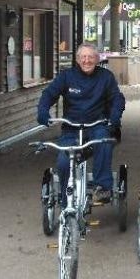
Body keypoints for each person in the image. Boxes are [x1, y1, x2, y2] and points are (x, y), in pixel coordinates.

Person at [37, 44, 125, 205]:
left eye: (91, 57)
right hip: (71, 128)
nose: (87, 60)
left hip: (97, 125)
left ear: (97, 59)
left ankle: (102, 186)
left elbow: (117, 98)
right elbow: (49, 94)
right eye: (83, 57)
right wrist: (43, 111)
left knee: (103, 142)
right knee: (64, 162)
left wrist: (114, 116)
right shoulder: (67, 77)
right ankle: (66, 201)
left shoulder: (106, 77)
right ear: (77, 59)